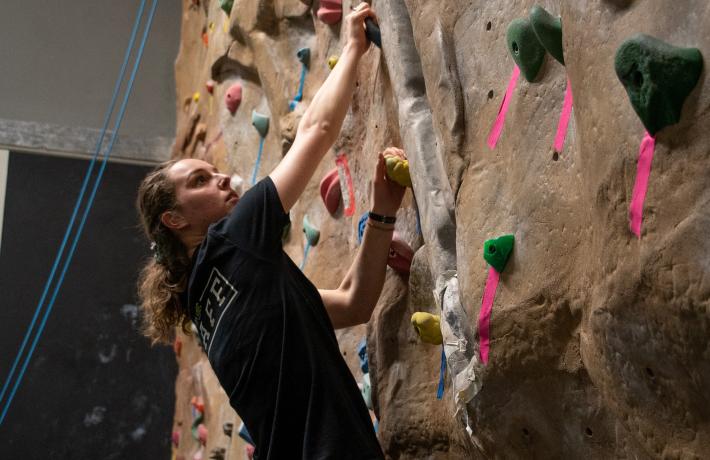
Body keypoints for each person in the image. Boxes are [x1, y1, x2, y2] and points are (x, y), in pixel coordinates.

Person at [136, 4, 407, 459]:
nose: (223, 178)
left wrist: (382, 212)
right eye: (199, 182)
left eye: (212, 170)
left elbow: (354, 302)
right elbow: (316, 131)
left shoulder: (209, 307)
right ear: (175, 220)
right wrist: (354, 47)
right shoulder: (232, 243)